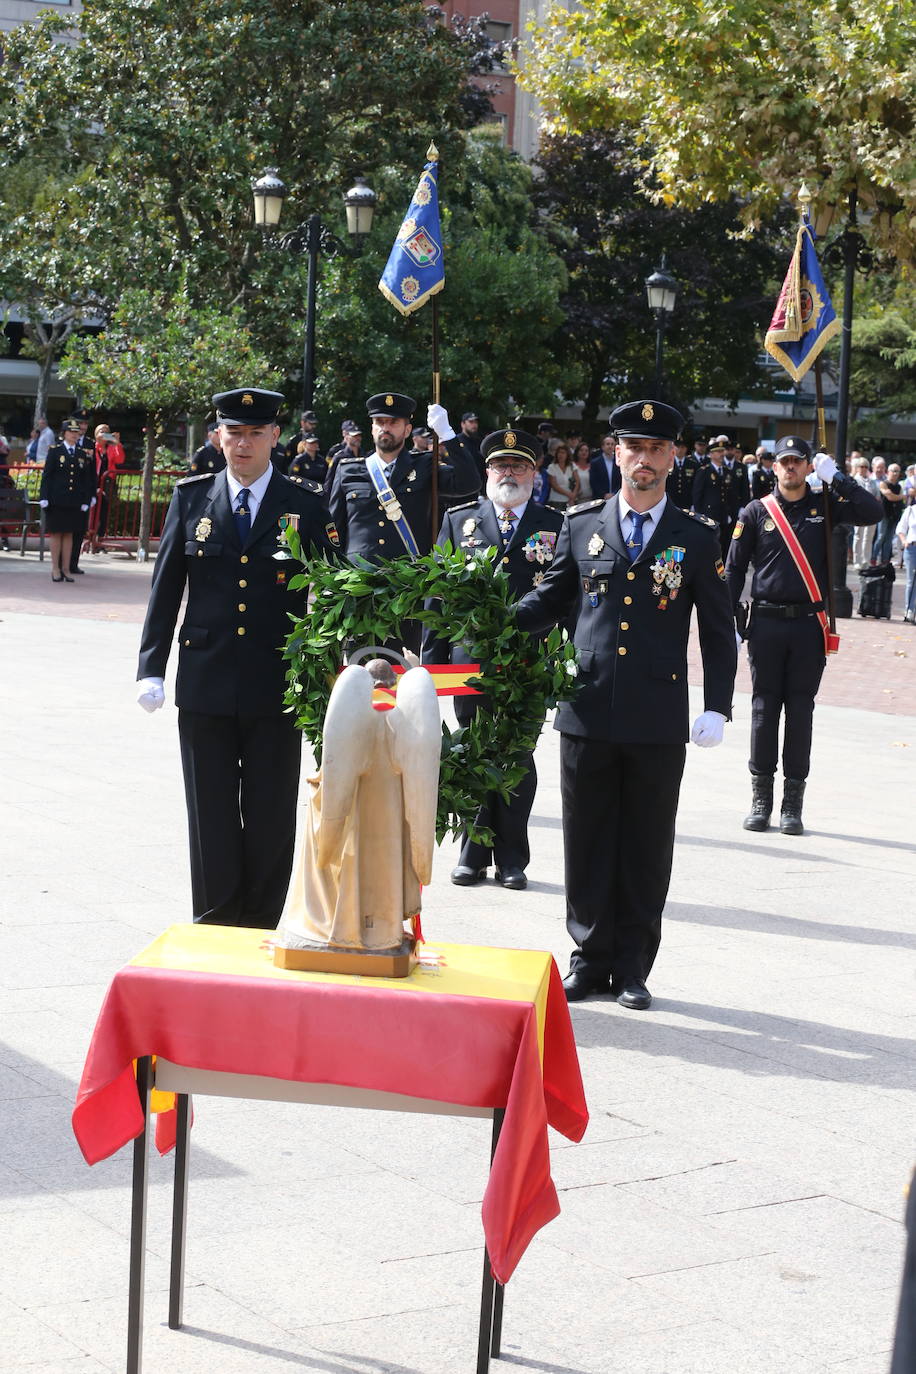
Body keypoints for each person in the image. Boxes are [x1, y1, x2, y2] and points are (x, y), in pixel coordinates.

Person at [515, 399, 737, 1008]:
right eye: (633, 448)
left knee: (645, 844)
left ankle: (634, 964)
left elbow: (719, 632)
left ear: (674, 457)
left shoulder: (695, 536)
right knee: (586, 840)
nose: (644, 461)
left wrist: (718, 704)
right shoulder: (582, 523)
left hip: (657, 717)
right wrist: (491, 622)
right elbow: (549, 600)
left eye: (657, 450)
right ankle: (588, 958)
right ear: (616, 452)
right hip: (586, 707)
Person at [135, 387, 341, 928]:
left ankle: (262, 920)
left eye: (255, 433)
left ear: (276, 436)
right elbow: (165, 590)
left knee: (272, 812)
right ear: (217, 436)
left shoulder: (306, 503)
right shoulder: (191, 498)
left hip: (278, 681)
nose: (243, 444)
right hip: (205, 679)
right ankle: (215, 918)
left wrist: (337, 668)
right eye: (234, 433)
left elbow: (336, 591)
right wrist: (150, 668)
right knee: (210, 811)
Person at [423, 428, 565, 891]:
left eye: (519, 466)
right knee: (472, 749)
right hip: (470, 655)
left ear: (533, 473)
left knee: (518, 755)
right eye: (501, 466)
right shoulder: (458, 520)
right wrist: (432, 663)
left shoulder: (556, 523)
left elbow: (566, 596)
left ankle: (511, 858)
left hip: (529, 660)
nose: (510, 473)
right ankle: (471, 851)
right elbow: (438, 592)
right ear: (487, 472)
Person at [725, 435, 882, 835]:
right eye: (784, 461)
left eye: (798, 461)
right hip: (767, 624)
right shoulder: (756, 511)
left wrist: (839, 479)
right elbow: (734, 569)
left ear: (810, 466)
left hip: (809, 626)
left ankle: (792, 804)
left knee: (800, 711)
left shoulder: (824, 505)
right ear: (773, 467)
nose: (791, 467)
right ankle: (761, 799)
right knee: (763, 711)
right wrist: (731, 618)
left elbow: (873, 511)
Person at [38, 418, 95, 582]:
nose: (74, 435)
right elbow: (47, 477)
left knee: (69, 534)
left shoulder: (82, 453)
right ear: (64, 433)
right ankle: (55, 568)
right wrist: (44, 497)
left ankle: (66, 569)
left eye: (77, 432)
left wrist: (87, 499)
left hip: (74, 501)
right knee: (56, 533)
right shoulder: (55, 451)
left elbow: (85, 479)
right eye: (71, 432)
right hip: (56, 500)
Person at [692, 434, 743, 557]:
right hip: (709, 516)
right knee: (709, 549)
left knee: (724, 548)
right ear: (710, 454)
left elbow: (732, 495)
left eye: (722, 451)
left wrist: (733, 513)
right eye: (718, 452)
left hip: (725, 517)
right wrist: (699, 516)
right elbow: (697, 495)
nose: (721, 454)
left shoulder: (727, 472)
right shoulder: (704, 471)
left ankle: (722, 574)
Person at [69, 411, 96, 574]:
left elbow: (92, 472)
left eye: (86, 424)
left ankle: (73, 563)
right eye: (80, 423)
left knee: (79, 530)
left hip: (83, 494)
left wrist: (92, 493)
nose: (83, 427)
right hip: (68, 493)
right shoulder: (64, 442)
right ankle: (62, 563)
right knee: (66, 530)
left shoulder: (89, 443)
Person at [874, 463, 904, 565]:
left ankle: (885, 560)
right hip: (884, 514)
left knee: (889, 539)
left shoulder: (899, 486)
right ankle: (873, 558)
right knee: (880, 537)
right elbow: (890, 497)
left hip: (894, 515)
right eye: (893, 471)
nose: (895, 473)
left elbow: (893, 496)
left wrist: (896, 496)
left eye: (897, 471)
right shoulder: (883, 483)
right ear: (888, 472)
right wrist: (900, 496)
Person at [665, 433, 700, 510]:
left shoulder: (693, 464)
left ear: (686, 449)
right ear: (673, 448)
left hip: (687, 502)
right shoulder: (667, 463)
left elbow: (696, 486)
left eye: (683, 447)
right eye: (678, 447)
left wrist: (694, 503)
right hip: (670, 500)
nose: (680, 450)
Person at [895, 501, 916, 623]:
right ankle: (909, 609)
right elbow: (900, 528)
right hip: (912, 548)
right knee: (911, 580)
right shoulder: (911, 510)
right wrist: (904, 541)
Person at [545, 440, 580, 510]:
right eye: (559, 453)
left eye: (563, 453)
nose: (560, 455)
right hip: (556, 500)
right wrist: (569, 494)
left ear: (567, 454)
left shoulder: (572, 466)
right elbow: (554, 485)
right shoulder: (552, 467)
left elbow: (577, 482)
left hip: (571, 500)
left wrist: (573, 495)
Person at [589, 432, 621, 501]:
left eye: (612, 444)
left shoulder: (619, 462)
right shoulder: (595, 462)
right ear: (602, 447)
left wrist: (614, 493)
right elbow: (593, 481)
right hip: (599, 498)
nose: (610, 446)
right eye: (608, 444)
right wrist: (604, 494)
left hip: (616, 497)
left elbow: (621, 480)